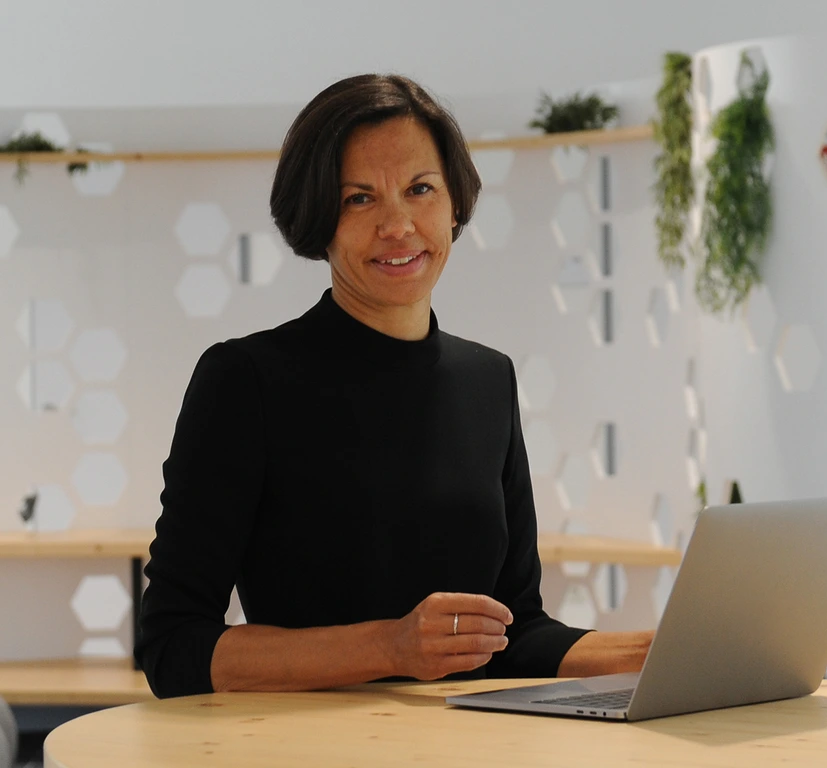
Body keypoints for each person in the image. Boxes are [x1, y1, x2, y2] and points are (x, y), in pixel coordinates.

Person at [135, 74, 654, 699]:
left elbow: (515, 633)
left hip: (472, 743)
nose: (399, 225)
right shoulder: (244, 381)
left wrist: (659, 650)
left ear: (454, 205)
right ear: (319, 219)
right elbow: (173, 647)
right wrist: (391, 646)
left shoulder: (489, 380)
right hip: (302, 743)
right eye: (359, 199)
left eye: (420, 189)